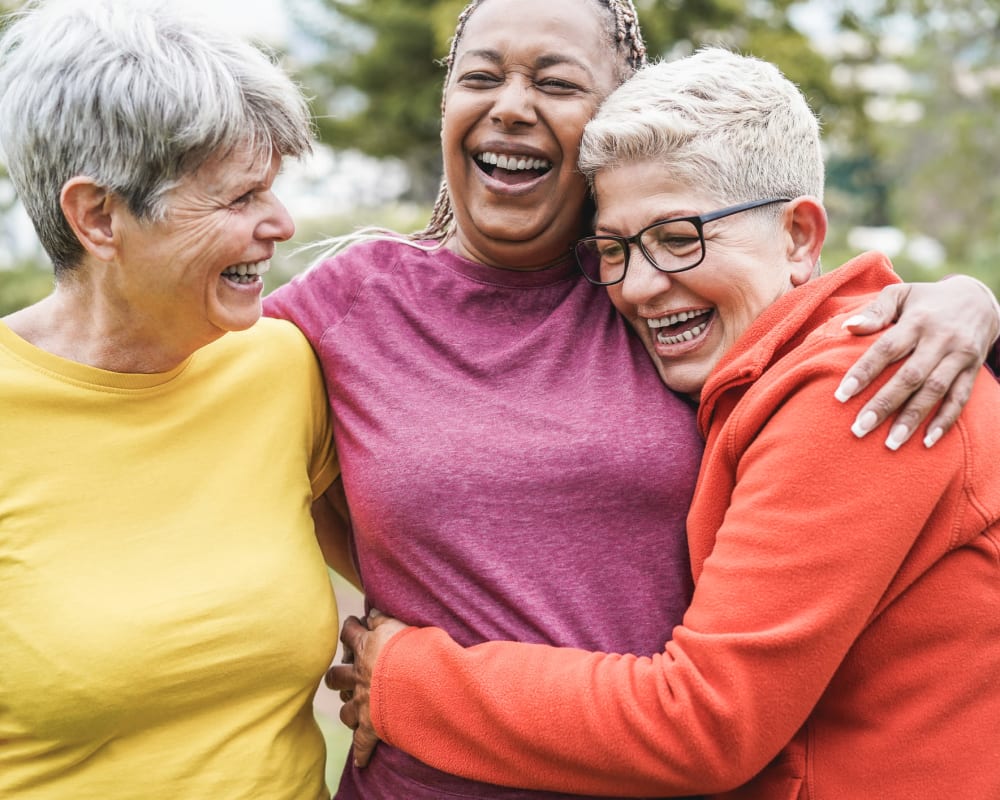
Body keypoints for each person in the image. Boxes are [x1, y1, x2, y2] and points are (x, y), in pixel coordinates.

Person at [265, 0, 1000, 796]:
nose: (646, 281)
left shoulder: (863, 376)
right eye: (479, 76)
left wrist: (404, 675)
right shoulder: (353, 306)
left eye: (679, 238)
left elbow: (706, 720)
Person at [0, 1, 348, 797]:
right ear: (98, 217)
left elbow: (421, 578)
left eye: (275, 189)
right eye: (239, 198)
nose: (282, 223)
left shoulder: (281, 367)